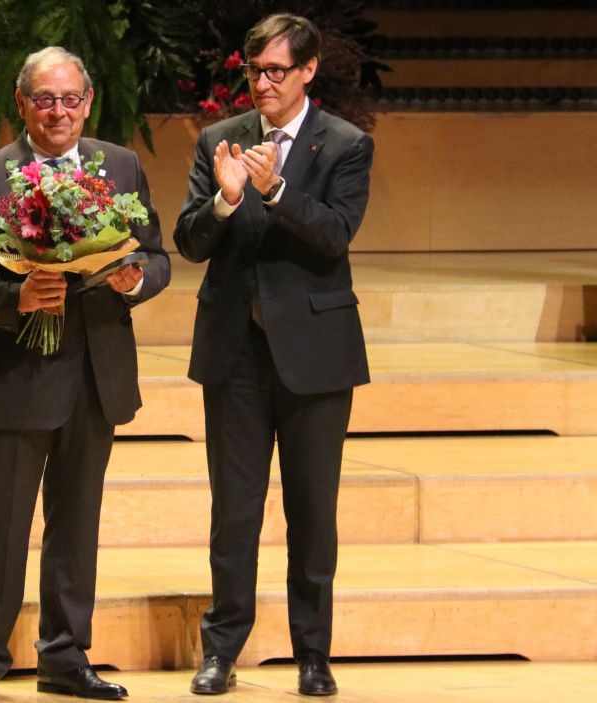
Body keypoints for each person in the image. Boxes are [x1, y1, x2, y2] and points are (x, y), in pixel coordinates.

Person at [0, 46, 170, 703]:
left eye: (70, 99)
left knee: (77, 525)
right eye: (45, 99)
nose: (58, 112)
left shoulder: (119, 165)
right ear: (23, 104)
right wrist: (16, 299)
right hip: (18, 376)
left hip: (97, 374)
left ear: (88, 102)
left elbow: (156, 254)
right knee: (1, 528)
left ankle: (64, 656)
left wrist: (136, 278)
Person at [173, 14, 373, 698]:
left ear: (308, 70)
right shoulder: (218, 140)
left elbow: (336, 235)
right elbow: (189, 241)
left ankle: (313, 654)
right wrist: (226, 202)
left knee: (313, 511)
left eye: (276, 71)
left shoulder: (345, 144)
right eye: (254, 70)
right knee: (235, 511)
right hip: (236, 353)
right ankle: (221, 650)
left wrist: (277, 192)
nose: (262, 83)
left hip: (316, 353)